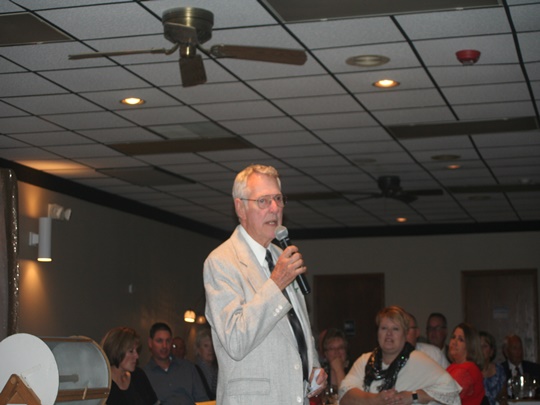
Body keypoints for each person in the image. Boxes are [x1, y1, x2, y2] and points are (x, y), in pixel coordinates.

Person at [203, 164, 327, 405]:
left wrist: (312, 367)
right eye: (263, 201)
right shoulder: (221, 262)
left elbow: (298, 327)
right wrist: (275, 284)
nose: (274, 208)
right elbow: (235, 340)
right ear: (240, 207)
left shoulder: (283, 256)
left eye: (278, 199)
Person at [339, 305, 461, 405]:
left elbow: (451, 390)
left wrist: (412, 396)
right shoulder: (364, 361)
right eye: (384, 328)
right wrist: (377, 400)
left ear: (405, 334)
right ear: (377, 333)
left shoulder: (417, 359)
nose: (389, 334)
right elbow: (344, 395)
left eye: (395, 329)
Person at [143, 322, 209, 405]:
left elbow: (203, 401)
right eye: (159, 341)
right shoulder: (144, 375)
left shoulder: (188, 368)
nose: (164, 346)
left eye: (168, 341)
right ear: (150, 343)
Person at [101, 326, 158, 405]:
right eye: (131, 351)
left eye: (136, 350)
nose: (137, 356)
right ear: (116, 351)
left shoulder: (138, 375)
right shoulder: (103, 384)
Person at [446, 323, 486, 405]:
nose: (454, 342)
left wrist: (418, 396)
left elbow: (444, 395)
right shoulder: (453, 366)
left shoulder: (468, 369)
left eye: (460, 340)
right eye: (453, 337)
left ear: (470, 345)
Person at [479, 331, 506, 405]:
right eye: (478, 346)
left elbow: (503, 393)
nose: (481, 349)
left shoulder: (499, 370)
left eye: (485, 346)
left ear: (491, 351)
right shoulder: (470, 371)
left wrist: (502, 398)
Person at [194, 327, 218, 400]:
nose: (210, 349)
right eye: (206, 346)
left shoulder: (218, 370)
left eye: (212, 345)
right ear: (198, 349)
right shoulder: (193, 371)